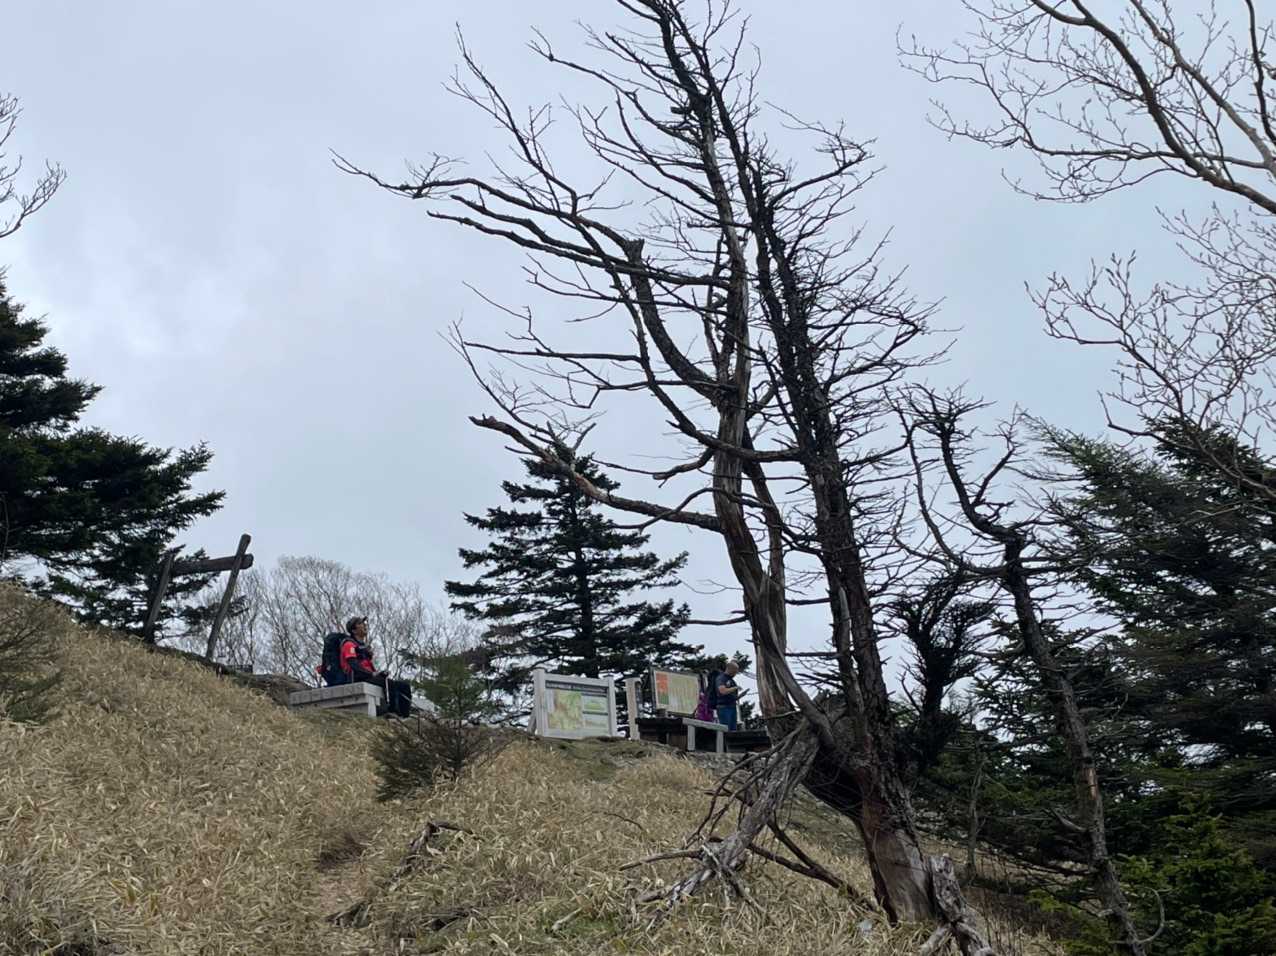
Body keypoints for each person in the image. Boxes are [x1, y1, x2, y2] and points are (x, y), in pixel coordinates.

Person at [340, 616, 412, 718]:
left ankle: (405, 715)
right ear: (354, 630)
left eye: (364, 623)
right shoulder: (349, 644)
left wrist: (376, 673)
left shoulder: (363, 646)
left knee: (404, 686)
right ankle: (392, 712)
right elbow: (353, 665)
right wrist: (372, 674)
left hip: (369, 676)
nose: (364, 625)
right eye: (360, 623)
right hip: (357, 678)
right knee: (389, 683)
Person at [714, 660, 742, 731]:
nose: (735, 673)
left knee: (733, 729)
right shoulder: (721, 678)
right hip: (724, 707)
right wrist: (735, 688)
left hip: (732, 706)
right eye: (735, 671)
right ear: (730, 669)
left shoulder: (731, 680)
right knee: (726, 729)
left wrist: (738, 696)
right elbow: (722, 691)